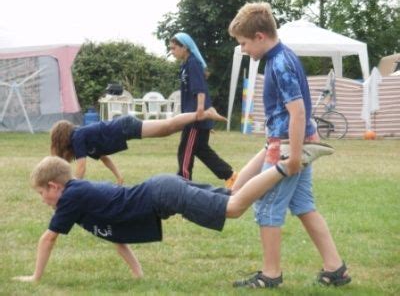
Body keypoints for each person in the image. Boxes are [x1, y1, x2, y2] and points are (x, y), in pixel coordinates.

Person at [13, 144, 332, 283]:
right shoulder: (82, 200)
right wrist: (138, 275)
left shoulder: (72, 197)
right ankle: (270, 147)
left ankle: (288, 163)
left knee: (233, 208)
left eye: (42, 193)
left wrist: (36, 276)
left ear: (55, 186)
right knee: (234, 195)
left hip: (163, 193)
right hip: (162, 189)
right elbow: (116, 236)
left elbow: (48, 239)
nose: (43, 199)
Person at [228, 2, 351, 288]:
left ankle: (270, 275)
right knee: (304, 206)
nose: (244, 50)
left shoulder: (279, 62)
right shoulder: (283, 57)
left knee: (268, 208)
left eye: (244, 43)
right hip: (296, 143)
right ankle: (335, 269)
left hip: (288, 147)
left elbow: (297, 112)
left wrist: (293, 158)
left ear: (260, 36)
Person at [50, 108, 226, 184]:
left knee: (168, 126)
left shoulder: (78, 136)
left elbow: (80, 168)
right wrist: (119, 177)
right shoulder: (83, 139)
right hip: (126, 130)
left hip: (124, 127)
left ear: (62, 139)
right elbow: (104, 158)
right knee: (167, 129)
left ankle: (202, 114)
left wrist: (71, 187)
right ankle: (197, 119)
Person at [169, 32, 237, 188]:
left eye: (174, 48)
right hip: (191, 115)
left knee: (185, 150)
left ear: (184, 47)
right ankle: (230, 175)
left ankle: (183, 182)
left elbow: (200, 89)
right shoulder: (185, 65)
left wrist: (200, 112)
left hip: (195, 117)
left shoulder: (193, 63)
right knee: (201, 150)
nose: (172, 52)